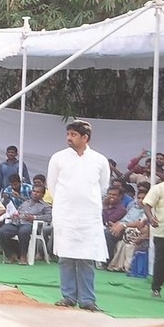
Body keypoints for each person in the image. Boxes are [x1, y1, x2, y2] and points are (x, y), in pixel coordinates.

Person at [46, 120, 110, 311]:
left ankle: (87, 299)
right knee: (66, 257)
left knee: (86, 258)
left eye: (73, 135)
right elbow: (52, 185)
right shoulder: (58, 158)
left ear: (85, 137)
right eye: (68, 134)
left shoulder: (99, 160)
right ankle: (68, 296)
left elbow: (103, 187)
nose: (69, 138)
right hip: (65, 214)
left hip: (88, 217)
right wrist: (66, 203)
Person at [0, 184, 52, 264]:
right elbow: (18, 212)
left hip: (31, 225)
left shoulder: (45, 206)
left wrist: (34, 217)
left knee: (23, 231)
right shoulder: (26, 203)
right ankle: (11, 254)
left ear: (43, 194)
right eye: (34, 191)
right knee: (1, 231)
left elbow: (49, 217)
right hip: (17, 223)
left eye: (38, 192)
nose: (35, 193)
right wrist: (15, 215)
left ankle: (23, 256)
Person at [141, 177, 164, 298]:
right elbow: (147, 205)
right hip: (162, 231)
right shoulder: (159, 188)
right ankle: (156, 288)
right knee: (161, 261)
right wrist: (151, 218)